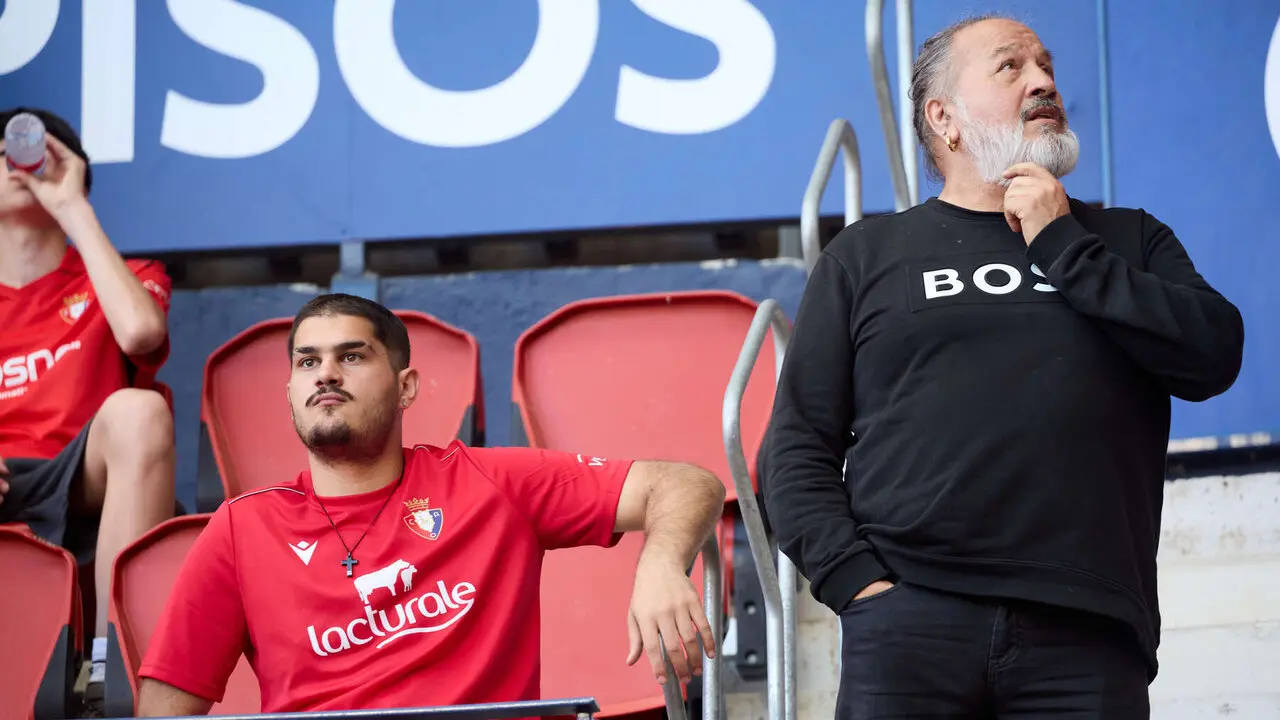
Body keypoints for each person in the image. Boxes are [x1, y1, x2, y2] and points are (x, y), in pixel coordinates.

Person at [763, 15, 1244, 719]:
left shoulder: (1127, 240)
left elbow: (1213, 354)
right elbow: (796, 444)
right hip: (910, 622)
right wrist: (856, 584)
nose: (1044, 80)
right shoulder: (867, 256)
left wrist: (1065, 245)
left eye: (1046, 65)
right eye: (1011, 67)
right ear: (944, 119)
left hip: (1088, 629)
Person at [136, 293, 727, 714]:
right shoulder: (243, 528)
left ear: (406, 387)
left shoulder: (487, 482)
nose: (326, 375)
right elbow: (165, 706)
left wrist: (659, 562)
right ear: (290, 390)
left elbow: (685, 481)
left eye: (353, 356)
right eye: (308, 362)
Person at [0, 107, 177, 712]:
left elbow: (140, 336)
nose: (14, 160)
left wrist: (71, 207)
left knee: (139, 410)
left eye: (30, 149)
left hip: (82, 477)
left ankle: (114, 664)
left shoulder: (128, 278)